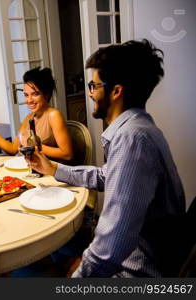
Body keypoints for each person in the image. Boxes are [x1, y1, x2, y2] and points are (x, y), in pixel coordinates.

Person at [27, 39, 186, 277]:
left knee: (31, 270)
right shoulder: (138, 127)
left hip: (137, 271)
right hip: (132, 259)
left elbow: (110, 248)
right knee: (56, 254)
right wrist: (54, 169)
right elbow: (106, 175)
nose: (90, 93)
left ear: (116, 91)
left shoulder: (132, 140)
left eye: (94, 85)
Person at [0, 67, 73, 162]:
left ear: (46, 94)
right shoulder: (29, 118)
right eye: (26, 95)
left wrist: (34, 147)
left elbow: (67, 154)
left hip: (49, 172)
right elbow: (13, 149)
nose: (29, 100)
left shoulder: (54, 115)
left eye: (35, 94)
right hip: (31, 169)